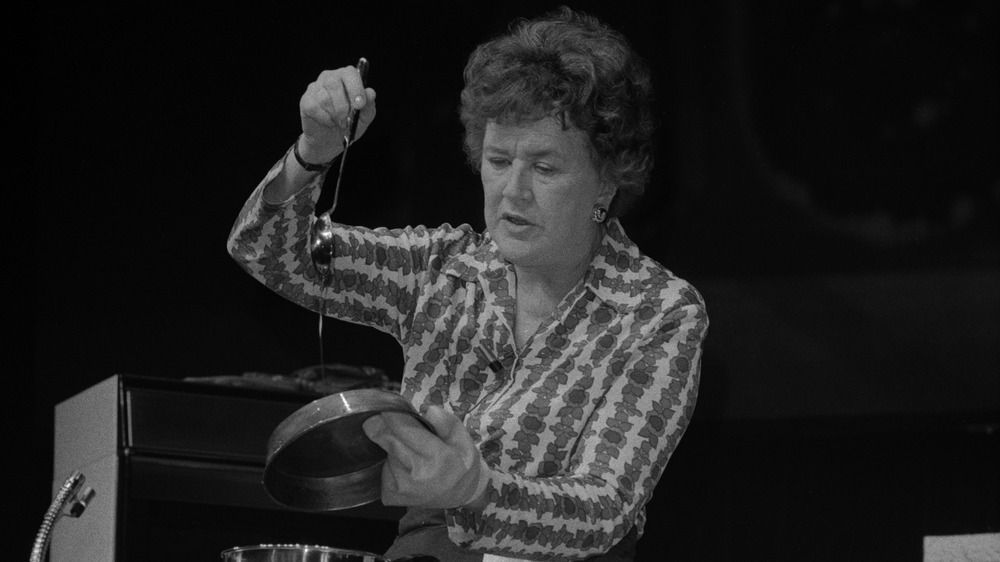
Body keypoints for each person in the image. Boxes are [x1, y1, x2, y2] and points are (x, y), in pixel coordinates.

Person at [228, 6, 708, 561]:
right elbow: (266, 251)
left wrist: (476, 492)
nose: (513, 191)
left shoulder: (658, 311)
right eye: (498, 160)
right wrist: (312, 154)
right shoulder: (440, 269)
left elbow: (604, 509)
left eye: (545, 168)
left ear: (607, 178)